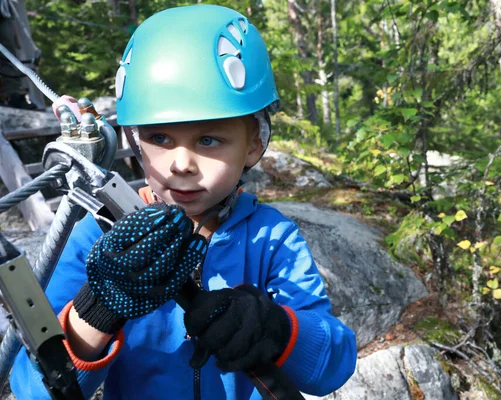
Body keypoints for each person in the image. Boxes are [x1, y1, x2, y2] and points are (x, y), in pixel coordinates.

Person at [9, 4, 357, 399]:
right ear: (134, 139)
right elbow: (31, 389)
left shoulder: (271, 238)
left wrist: (275, 327)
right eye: (160, 138)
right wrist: (99, 308)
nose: (181, 164)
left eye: (209, 140)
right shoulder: (100, 235)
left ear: (254, 144)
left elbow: (332, 367)